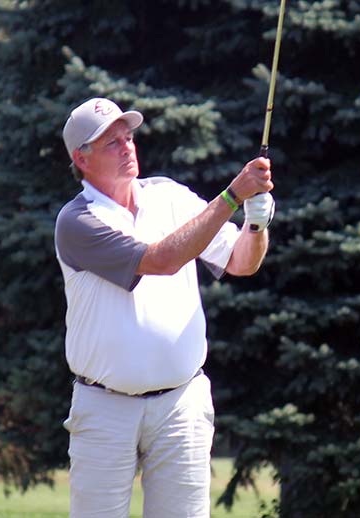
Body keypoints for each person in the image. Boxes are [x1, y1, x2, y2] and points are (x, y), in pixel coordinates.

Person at [54, 97, 275, 518]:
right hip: (104, 407)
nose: (127, 147)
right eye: (112, 143)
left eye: (128, 137)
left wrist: (256, 222)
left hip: (182, 403)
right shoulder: (77, 221)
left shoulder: (169, 196)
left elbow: (242, 261)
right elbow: (160, 260)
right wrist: (232, 196)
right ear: (82, 159)